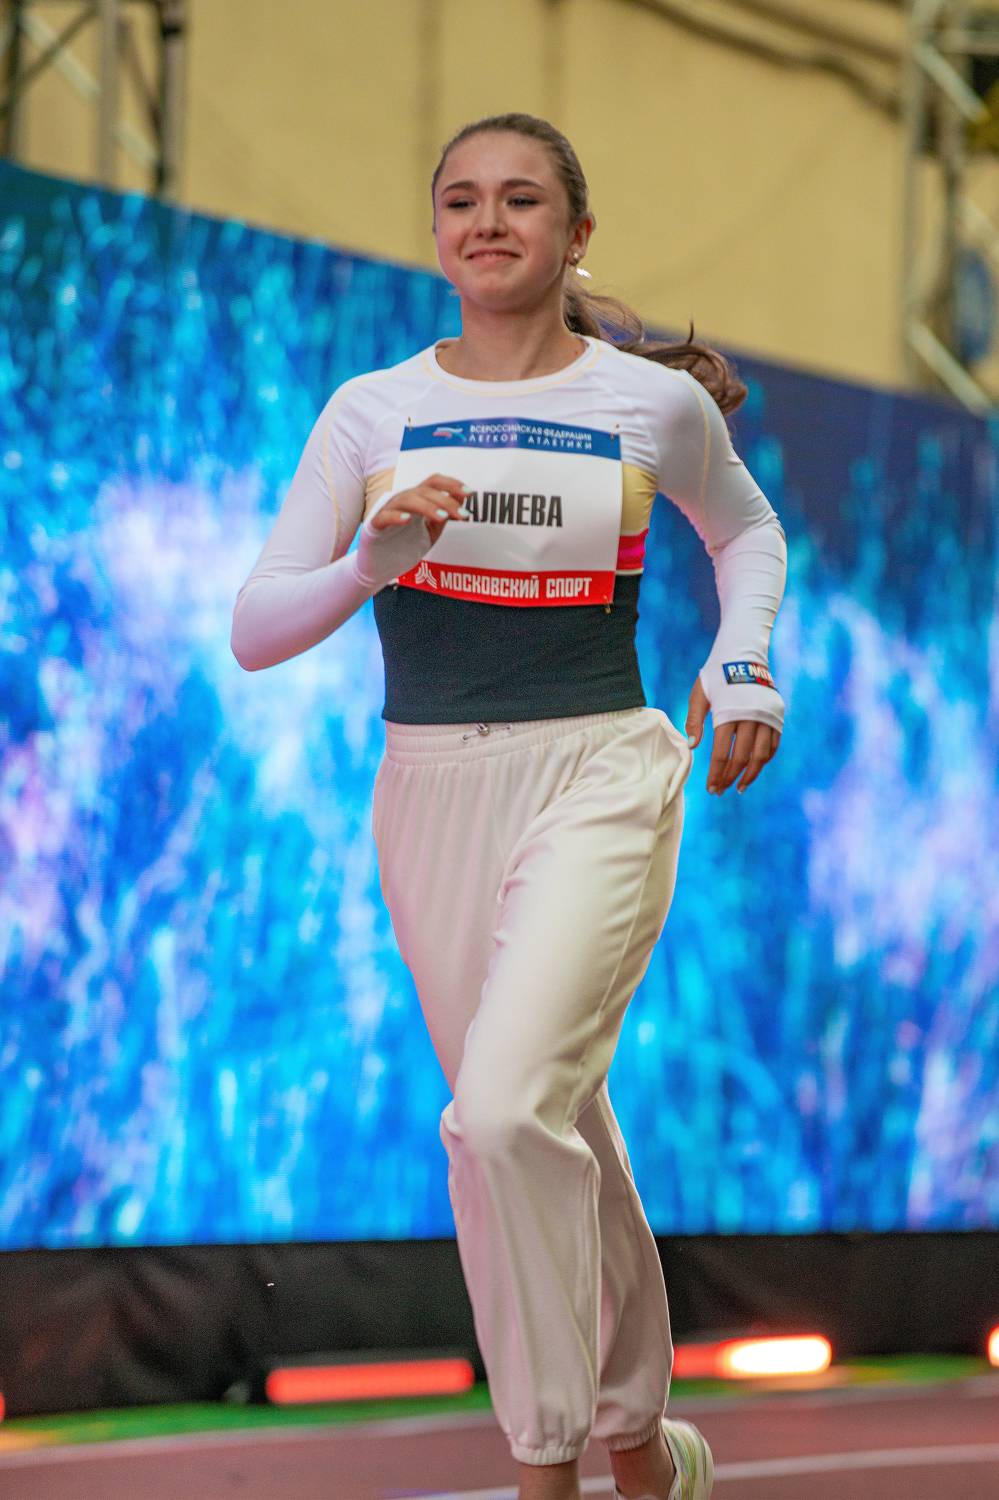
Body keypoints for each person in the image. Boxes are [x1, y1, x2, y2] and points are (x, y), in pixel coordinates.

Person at [231, 111, 786, 1500]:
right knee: (549, 1118)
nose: (488, 221)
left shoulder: (648, 405)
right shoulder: (370, 410)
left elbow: (747, 529)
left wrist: (745, 666)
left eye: (522, 199)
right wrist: (368, 564)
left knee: (495, 1115)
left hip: (599, 769)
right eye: (462, 199)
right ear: (437, 233)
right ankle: (641, 1442)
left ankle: (549, 1466)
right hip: (429, 788)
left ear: (575, 233)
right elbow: (255, 628)